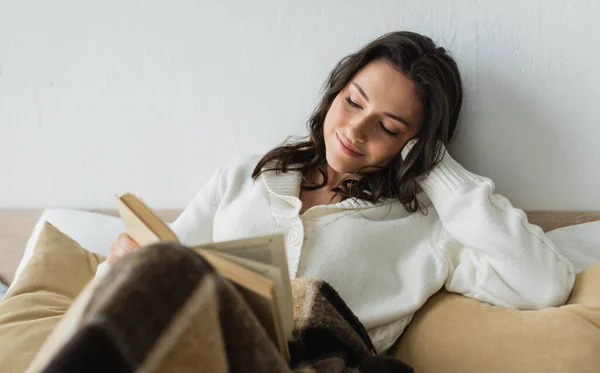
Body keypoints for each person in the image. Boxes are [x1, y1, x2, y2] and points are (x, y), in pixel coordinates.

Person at [100, 31, 575, 354]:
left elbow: (544, 282)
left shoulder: (425, 228)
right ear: (336, 90)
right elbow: (169, 256)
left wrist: (436, 167)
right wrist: (126, 266)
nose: (355, 129)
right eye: (353, 101)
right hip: (190, 355)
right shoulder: (248, 176)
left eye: (388, 127)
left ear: (415, 143)